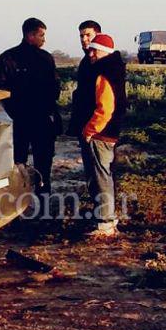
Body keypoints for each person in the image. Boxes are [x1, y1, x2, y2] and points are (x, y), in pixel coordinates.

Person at [0, 17, 62, 195]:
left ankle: (18, 202)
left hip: (19, 121)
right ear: (30, 35)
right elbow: (55, 89)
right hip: (37, 120)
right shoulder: (42, 59)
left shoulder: (7, 57)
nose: (44, 39)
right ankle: (41, 203)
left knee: (17, 164)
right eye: (41, 35)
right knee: (42, 166)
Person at [76, 34, 126, 237]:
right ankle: (106, 218)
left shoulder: (104, 72)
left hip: (100, 134)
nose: (90, 53)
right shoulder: (114, 69)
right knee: (103, 176)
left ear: (105, 51)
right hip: (107, 133)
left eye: (94, 49)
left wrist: (90, 130)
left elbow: (105, 108)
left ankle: (104, 223)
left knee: (100, 177)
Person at [67, 20, 102, 138]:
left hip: (97, 124)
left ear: (98, 36)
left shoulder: (104, 61)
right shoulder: (85, 61)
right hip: (84, 121)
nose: (84, 39)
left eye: (88, 35)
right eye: (81, 36)